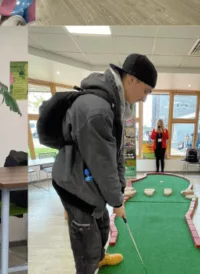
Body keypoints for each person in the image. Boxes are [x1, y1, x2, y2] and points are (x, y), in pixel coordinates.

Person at [52, 54, 157, 273]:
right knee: (86, 243)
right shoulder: (97, 110)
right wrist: (117, 203)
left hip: (88, 178)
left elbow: (115, 153)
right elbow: (103, 165)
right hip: (75, 185)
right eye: (146, 91)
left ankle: (99, 258)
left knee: (101, 226)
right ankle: (90, 265)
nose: (145, 98)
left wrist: (118, 190)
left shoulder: (113, 104)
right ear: (132, 80)